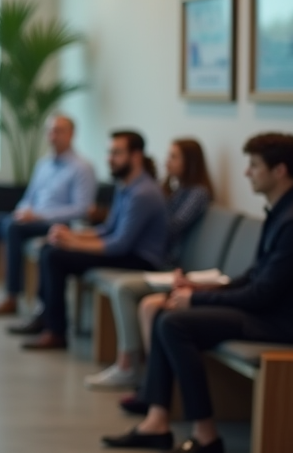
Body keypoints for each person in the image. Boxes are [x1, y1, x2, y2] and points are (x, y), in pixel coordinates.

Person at [102, 133, 293, 453]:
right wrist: (200, 291)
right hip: (268, 310)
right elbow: (255, 277)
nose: (247, 173)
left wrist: (196, 303)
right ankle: (157, 421)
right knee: (164, 314)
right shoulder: (284, 211)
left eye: (254, 166)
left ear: (280, 170)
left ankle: (205, 436)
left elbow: (263, 294)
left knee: (175, 323)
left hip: (285, 324)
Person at [12, 130, 169, 350]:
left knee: (55, 255)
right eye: (109, 152)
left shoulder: (143, 193)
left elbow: (119, 245)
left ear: (135, 156)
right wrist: (71, 235)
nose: (109, 158)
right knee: (50, 248)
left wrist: (71, 243)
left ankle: (55, 331)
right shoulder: (127, 186)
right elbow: (107, 229)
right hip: (125, 252)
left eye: (116, 153)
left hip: (141, 260)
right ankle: (46, 318)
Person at [84, 138, 213, 389]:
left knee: (124, 288)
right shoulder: (170, 190)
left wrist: (151, 211)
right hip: (167, 263)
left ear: (191, 162)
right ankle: (138, 369)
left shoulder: (197, 194)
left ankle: (130, 366)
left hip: (172, 267)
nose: (167, 162)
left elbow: (170, 229)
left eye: (174, 157)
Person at [0, 114, 96, 315]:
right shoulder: (43, 164)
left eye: (59, 131)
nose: (53, 136)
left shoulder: (82, 168)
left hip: (58, 224)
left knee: (12, 227)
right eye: (50, 131)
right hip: (31, 219)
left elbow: (81, 208)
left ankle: (12, 297)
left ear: (71, 134)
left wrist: (39, 215)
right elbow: (29, 197)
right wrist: (22, 211)